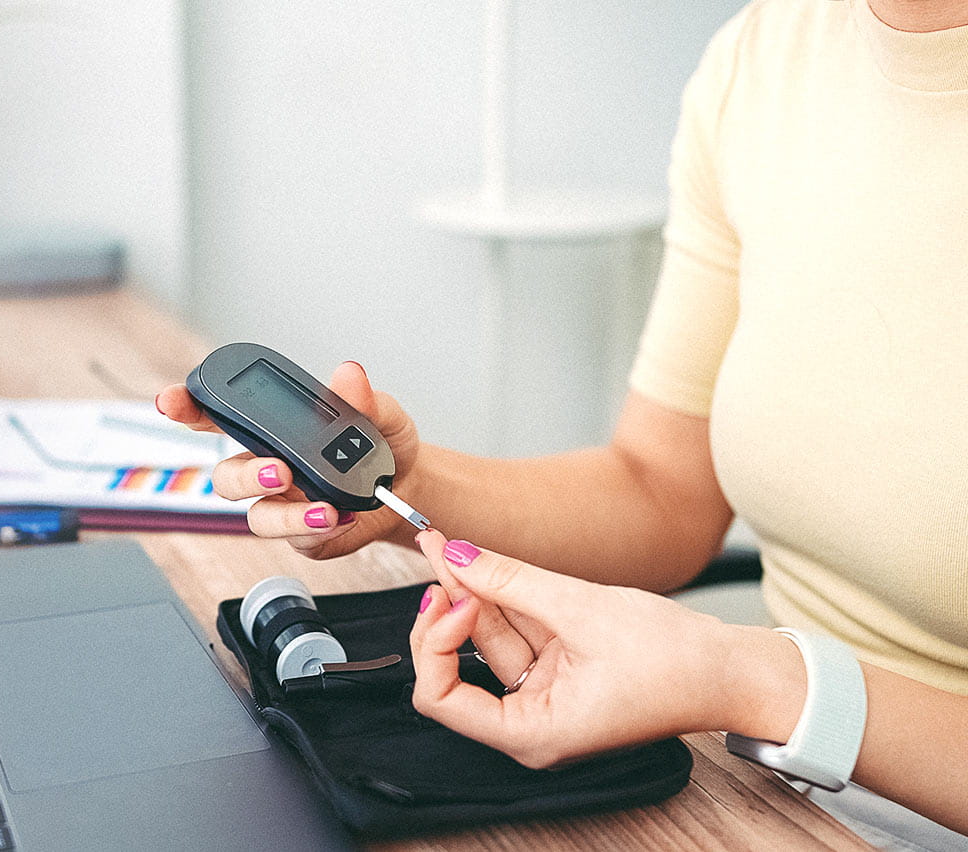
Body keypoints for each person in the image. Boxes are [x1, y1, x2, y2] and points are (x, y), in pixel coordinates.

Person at [157, 0, 968, 845]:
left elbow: (762, 678)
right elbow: (662, 492)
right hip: (763, 787)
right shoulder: (764, 57)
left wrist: (762, 682)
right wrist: (410, 488)